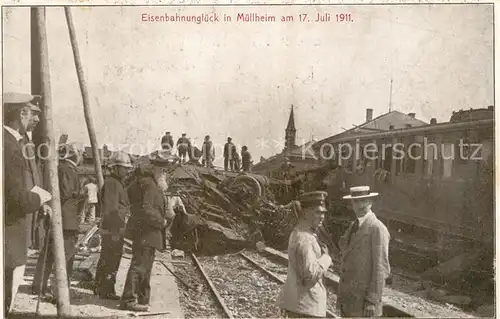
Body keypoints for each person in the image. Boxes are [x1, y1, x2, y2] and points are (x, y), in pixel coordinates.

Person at [4, 92, 52, 316]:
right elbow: (16, 197)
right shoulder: (10, 146)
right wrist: (40, 198)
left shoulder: (15, 143)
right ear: (21, 113)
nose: (37, 119)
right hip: (9, 232)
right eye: (33, 112)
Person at [32, 142, 85, 302]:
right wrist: (81, 194)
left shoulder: (61, 168)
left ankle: (39, 286)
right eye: (80, 153)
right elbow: (68, 192)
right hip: (66, 219)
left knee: (48, 253)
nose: (81, 156)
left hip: (59, 217)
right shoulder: (68, 169)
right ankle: (61, 290)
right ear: (74, 155)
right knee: (66, 255)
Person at [121, 165, 170, 312]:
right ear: (159, 174)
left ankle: (143, 299)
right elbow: (147, 208)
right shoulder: (151, 186)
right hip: (147, 233)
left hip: (147, 233)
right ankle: (128, 300)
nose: (165, 175)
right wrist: (162, 221)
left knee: (145, 267)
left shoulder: (147, 184)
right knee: (139, 266)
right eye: (164, 172)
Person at [337, 186, 391, 317]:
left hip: (364, 304)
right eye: (356, 201)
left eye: (364, 201)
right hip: (349, 300)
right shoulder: (354, 225)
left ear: (371, 202)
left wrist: (372, 300)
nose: (360, 205)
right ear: (352, 204)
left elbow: (381, 268)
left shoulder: (377, 228)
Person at [279, 191, 332, 318]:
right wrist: (326, 259)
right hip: (306, 308)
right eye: (317, 212)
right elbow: (310, 275)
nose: (322, 216)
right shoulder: (305, 239)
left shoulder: (300, 233)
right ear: (305, 213)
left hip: (299, 305)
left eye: (323, 212)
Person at [94, 151, 133, 300]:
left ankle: (101, 287)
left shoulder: (116, 183)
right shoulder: (112, 183)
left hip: (115, 227)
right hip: (113, 228)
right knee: (111, 259)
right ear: (116, 167)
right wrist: (116, 229)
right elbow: (111, 209)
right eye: (125, 168)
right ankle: (105, 290)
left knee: (108, 258)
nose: (127, 170)